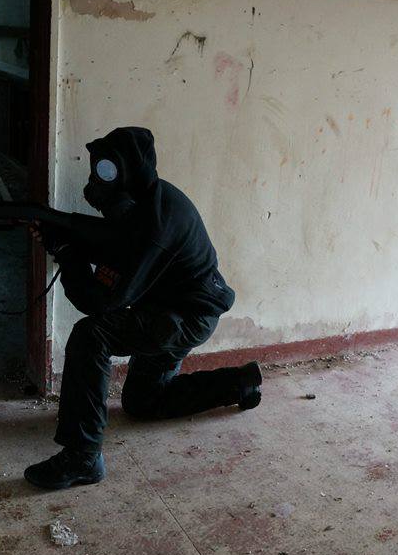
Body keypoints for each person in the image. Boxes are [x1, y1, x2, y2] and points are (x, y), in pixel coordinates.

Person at [24, 126, 262, 490]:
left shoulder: (158, 221)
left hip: (184, 318)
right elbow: (118, 244)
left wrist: (68, 252)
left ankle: (82, 456)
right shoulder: (150, 199)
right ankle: (239, 382)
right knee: (143, 402)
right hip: (173, 309)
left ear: (130, 172)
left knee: (91, 336)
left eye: (108, 171)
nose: (98, 181)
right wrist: (66, 234)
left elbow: (101, 303)